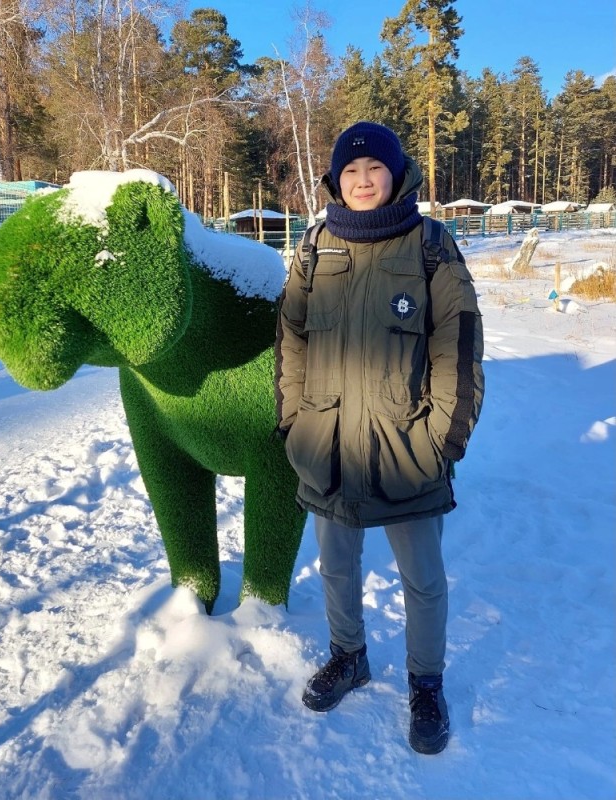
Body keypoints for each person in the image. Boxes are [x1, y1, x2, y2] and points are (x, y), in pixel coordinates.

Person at [275, 122, 484, 755]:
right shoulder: (314, 247)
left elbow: (460, 346)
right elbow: (291, 343)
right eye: (351, 171)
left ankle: (425, 682)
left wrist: (440, 442)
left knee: (422, 577)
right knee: (337, 566)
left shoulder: (430, 245)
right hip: (327, 444)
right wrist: (294, 425)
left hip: (406, 450)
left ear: (395, 175)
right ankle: (349, 656)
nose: (363, 181)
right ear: (335, 180)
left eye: (375, 170)